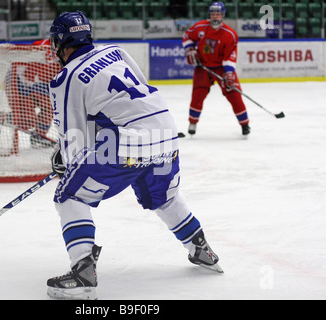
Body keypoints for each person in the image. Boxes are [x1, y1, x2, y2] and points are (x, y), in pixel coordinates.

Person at [47, 11, 222, 300]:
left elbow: (73, 136)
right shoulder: (117, 52)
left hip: (127, 143)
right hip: (166, 132)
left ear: (62, 43)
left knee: (69, 196)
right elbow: (135, 96)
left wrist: (68, 162)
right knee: (164, 198)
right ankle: (201, 249)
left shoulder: (66, 77)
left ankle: (83, 272)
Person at [182, 2, 250, 136]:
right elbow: (187, 36)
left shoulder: (229, 34)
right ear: (209, 14)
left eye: (218, 14)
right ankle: (192, 123)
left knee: (234, 95)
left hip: (222, 69)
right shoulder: (200, 27)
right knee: (197, 95)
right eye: (213, 14)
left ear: (223, 15)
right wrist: (190, 50)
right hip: (203, 67)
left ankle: (245, 124)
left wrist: (229, 73)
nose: (215, 17)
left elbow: (230, 55)